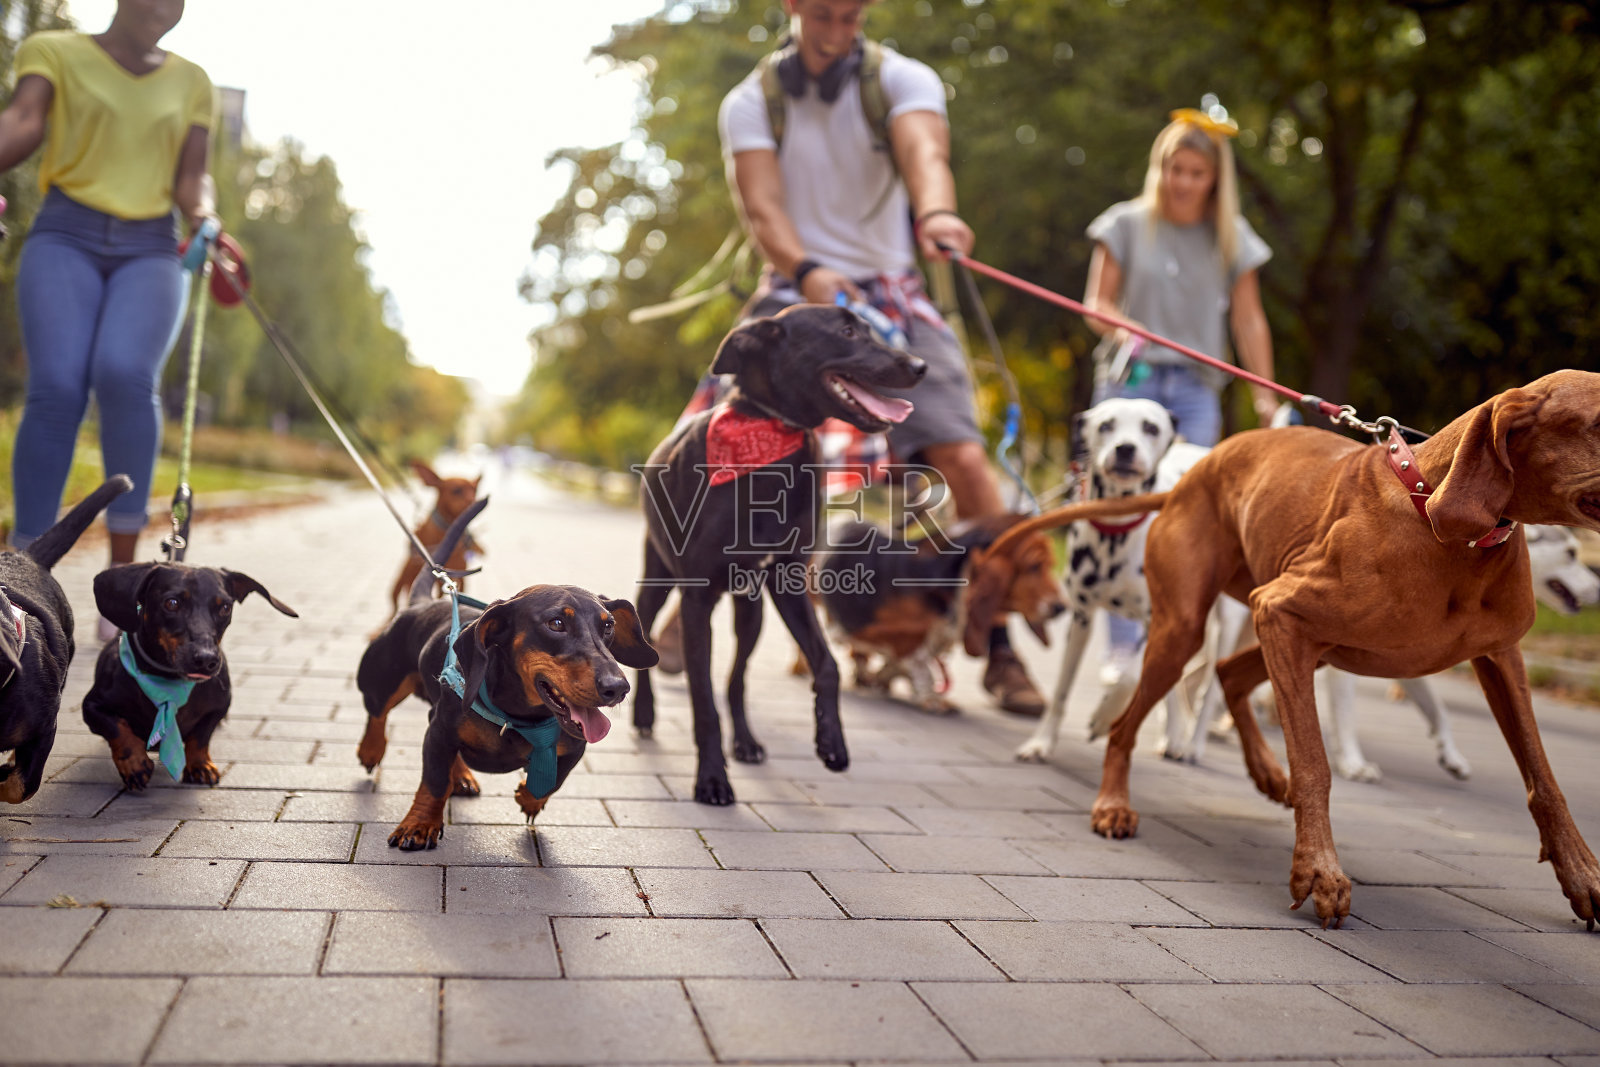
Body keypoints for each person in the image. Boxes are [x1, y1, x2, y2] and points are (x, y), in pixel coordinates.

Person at [654, 0, 1047, 715]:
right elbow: (762, 206)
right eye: (827, 13)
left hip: (892, 286)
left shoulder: (901, 77)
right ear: (794, 7)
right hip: (799, 291)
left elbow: (925, 153)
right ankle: (693, 600)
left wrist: (936, 213)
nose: (841, 27)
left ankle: (999, 649)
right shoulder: (753, 101)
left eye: (854, 13)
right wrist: (808, 272)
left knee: (961, 455)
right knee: (731, 439)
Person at [0, 0, 215, 640]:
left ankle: (128, 595)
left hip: (152, 245)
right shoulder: (54, 50)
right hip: (64, 233)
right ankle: (15, 576)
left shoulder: (191, 81)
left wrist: (207, 215)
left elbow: (193, 178)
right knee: (58, 386)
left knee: (124, 375)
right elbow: (23, 118)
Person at [1082, 107, 1276, 684]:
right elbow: (1097, 303)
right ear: (1158, 166)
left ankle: (1164, 641)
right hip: (1130, 382)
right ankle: (1119, 649)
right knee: (1120, 505)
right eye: (1174, 168)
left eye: (1195, 172)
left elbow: (1249, 322)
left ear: (1214, 178)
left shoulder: (1231, 239)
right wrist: (1124, 328)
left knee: (1188, 515)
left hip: (1195, 390)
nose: (1183, 182)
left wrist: (1265, 394)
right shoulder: (1123, 224)